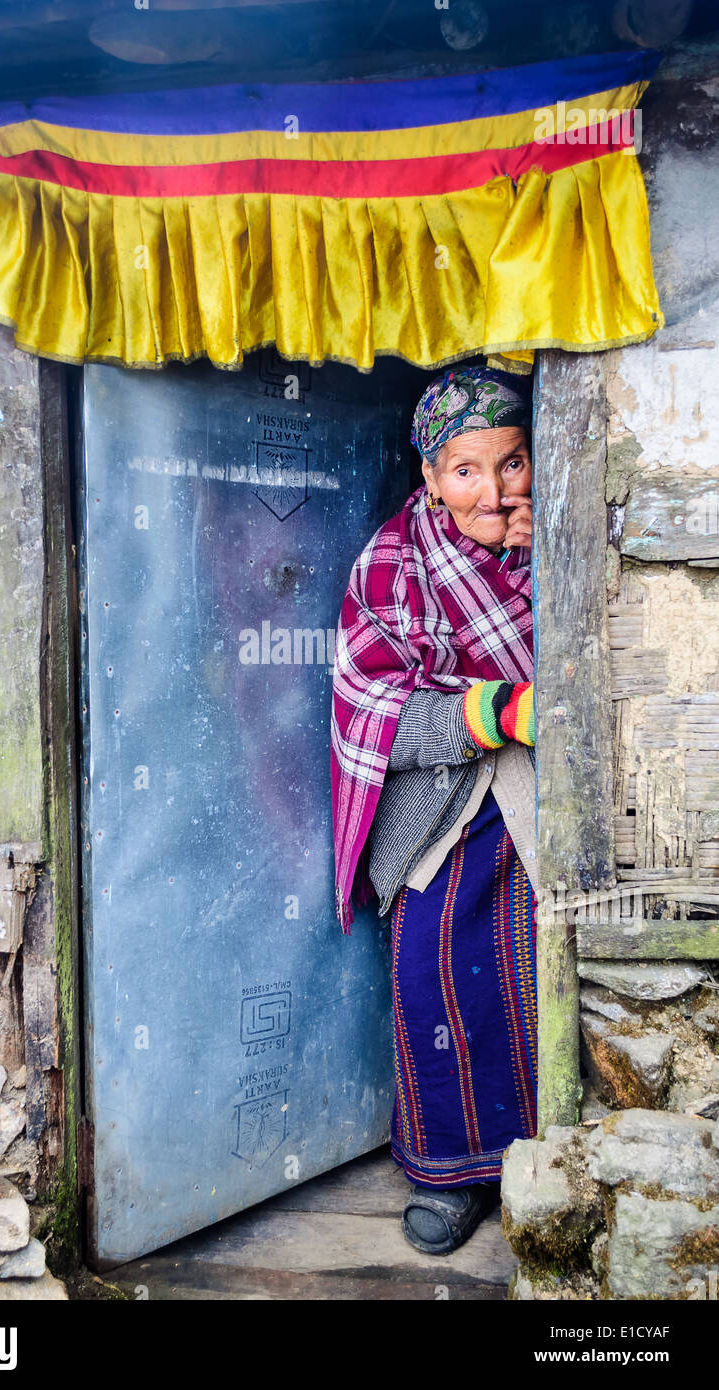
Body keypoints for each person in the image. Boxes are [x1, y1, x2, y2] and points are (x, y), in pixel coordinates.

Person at [330, 363, 538, 1256]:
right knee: (436, 976)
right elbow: (369, 711)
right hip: (440, 805)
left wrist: (551, 551)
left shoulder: (554, 533)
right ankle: (450, 1174)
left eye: (512, 462)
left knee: (537, 976)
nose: (491, 492)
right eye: (464, 470)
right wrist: (489, 710)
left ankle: (540, 1164)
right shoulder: (389, 563)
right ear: (428, 475)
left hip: (535, 798)